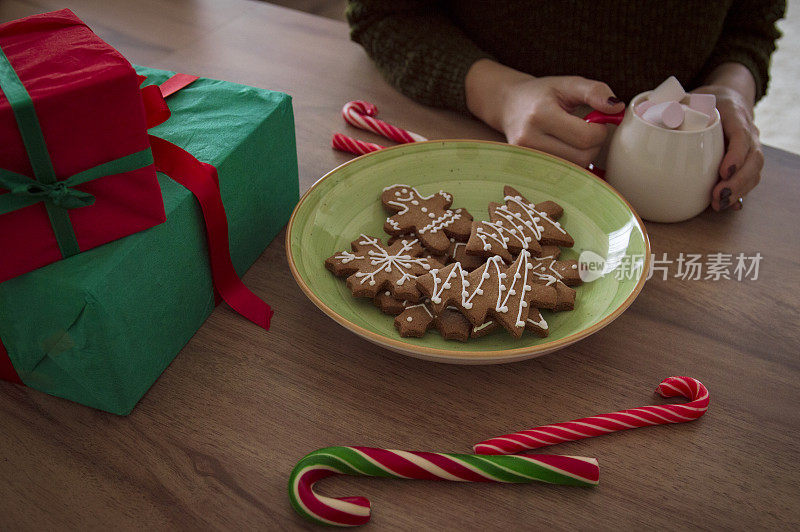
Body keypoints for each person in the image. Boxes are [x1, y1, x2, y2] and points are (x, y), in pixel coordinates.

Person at [346, 1, 786, 211]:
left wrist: (733, 89)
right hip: (480, 146)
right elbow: (382, 13)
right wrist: (502, 95)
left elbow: (750, 27)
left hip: (694, 191)